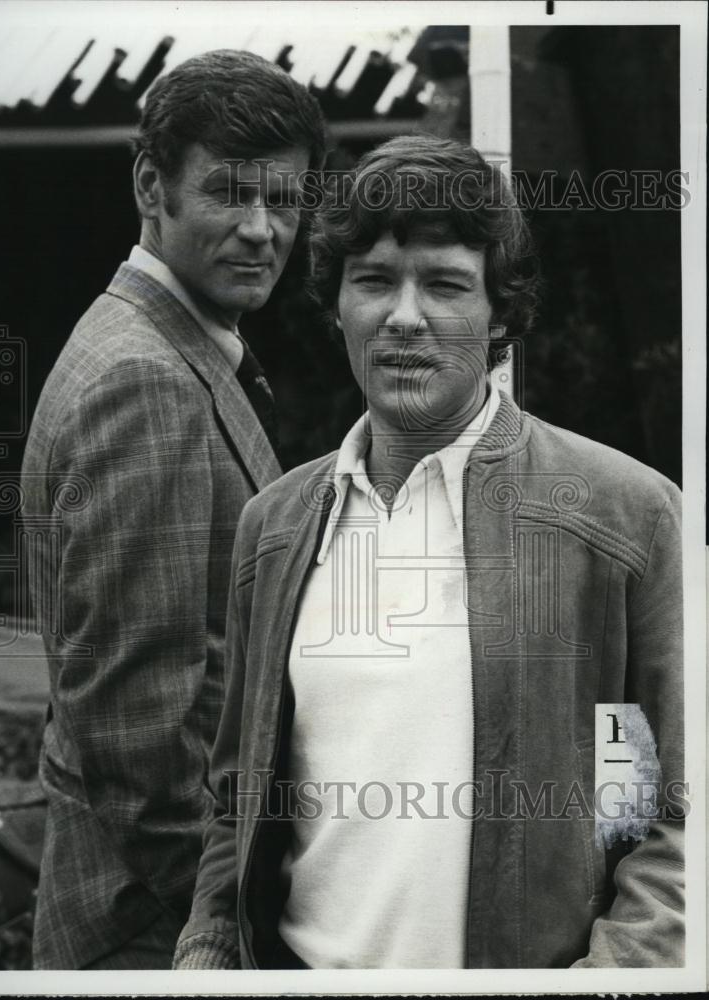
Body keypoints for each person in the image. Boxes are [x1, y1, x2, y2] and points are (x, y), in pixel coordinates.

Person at [173, 135, 684, 969]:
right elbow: (236, 803)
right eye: (373, 281)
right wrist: (207, 949)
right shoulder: (276, 527)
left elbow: (673, 818)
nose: (403, 317)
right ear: (336, 303)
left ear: (502, 313)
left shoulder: (626, 518)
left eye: (445, 284)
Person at [21, 49, 325, 969]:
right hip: (155, 930)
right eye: (231, 193)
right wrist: (230, 919)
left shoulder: (154, 343)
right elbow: (132, 734)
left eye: (284, 199)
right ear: (153, 186)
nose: (263, 229)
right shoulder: (145, 380)